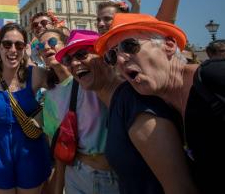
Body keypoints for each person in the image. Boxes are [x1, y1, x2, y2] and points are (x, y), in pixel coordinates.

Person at [56, 28, 198, 193]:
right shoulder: (115, 103)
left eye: (82, 55)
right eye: (68, 59)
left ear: (107, 58)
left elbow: (180, 187)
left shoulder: (133, 101)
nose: (73, 63)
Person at [96, 13, 225, 193]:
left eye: (129, 45)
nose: (120, 59)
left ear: (169, 45)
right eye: (111, 55)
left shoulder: (215, 77)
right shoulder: (155, 103)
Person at [0, 23, 52, 193]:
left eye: (19, 45)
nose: (13, 50)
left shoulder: (36, 73)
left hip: (31, 153)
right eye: (7, 44)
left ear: (25, 48)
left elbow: (66, 82)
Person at [38, 29, 118, 194]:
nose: (46, 47)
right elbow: (60, 145)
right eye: (41, 45)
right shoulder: (50, 96)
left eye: (52, 42)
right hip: (76, 175)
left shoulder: (95, 80)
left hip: (111, 177)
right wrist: (58, 188)